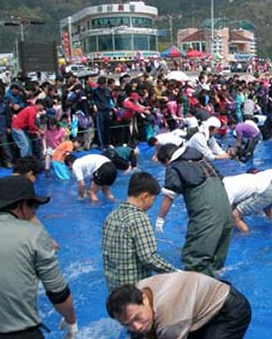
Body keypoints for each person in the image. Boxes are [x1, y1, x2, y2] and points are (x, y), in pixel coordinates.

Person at [0, 175, 78, 339]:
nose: (34, 213)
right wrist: (71, 323)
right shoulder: (33, 234)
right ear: (21, 206)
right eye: (34, 207)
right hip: (21, 333)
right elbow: (58, 292)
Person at [155, 144, 233, 277]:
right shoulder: (203, 161)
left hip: (207, 217)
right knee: (216, 261)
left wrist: (160, 219)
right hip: (226, 214)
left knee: (194, 259)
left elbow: (169, 196)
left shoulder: (175, 166)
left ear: (167, 160)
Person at [106, 272, 251, 339]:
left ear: (144, 299)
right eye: (127, 324)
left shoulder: (170, 322)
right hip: (195, 301)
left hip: (229, 310)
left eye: (137, 318)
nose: (136, 327)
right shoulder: (137, 289)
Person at [102, 172, 178, 293]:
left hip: (114, 288)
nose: (152, 205)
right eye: (152, 200)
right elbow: (148, 258)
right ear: (144, 196)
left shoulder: (111, 216)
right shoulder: (139, 218)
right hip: (134, 289)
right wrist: (176, 273)